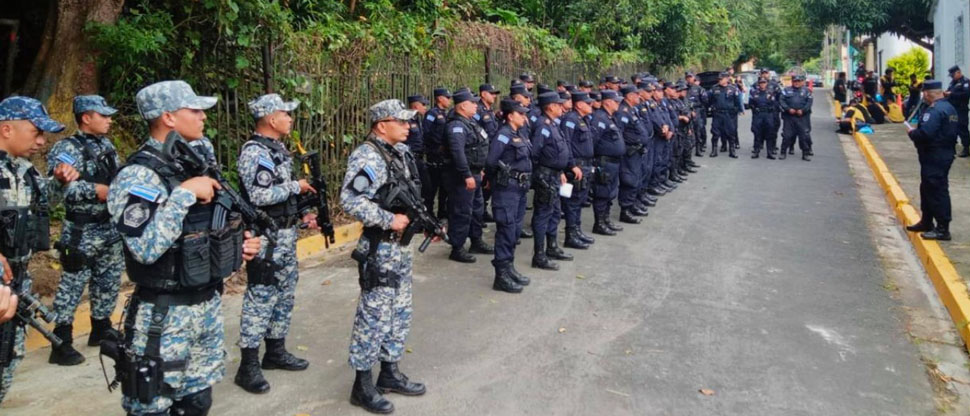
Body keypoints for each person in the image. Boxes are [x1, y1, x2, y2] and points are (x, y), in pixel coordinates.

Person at [107, 80, 262, 415]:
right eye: (194, 110)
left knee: (198, 402)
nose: (203, 116)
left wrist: (238, 246)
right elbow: (144, 249)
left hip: (206, 306)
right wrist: (184, 195)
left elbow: (202, 231)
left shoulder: (191, 163)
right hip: (164, 316)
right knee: (152, 405)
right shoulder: (138, 176)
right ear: (168, 117)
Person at [341, 99, 428, 414]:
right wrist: (388, 219)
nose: (408, 126)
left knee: (400, 310)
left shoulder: (400, 152)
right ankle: (362, 385)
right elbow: (350, 199)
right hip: (381, 246)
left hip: (401, 247)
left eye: (408, 121)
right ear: (381, 125)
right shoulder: (368, 156)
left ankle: (389, 371)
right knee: (374, 314)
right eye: (401, 121)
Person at [233, 93, 319, 394]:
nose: (290, 119)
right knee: (261, 296)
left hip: (285, 233)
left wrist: (303, 212)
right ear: (271, 119)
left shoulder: (277, 149)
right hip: (266, 237)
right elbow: (259, 196)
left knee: (284, 294)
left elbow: (283, 193)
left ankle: (275, 351)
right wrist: (296, 186)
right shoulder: (255, 153)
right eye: (286, 114)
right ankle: (248, 365)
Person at [0, 96, 79, 404]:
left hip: (17, 283)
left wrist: (59, 182)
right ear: (7, 129)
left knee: (8, 358)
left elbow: (44, 204)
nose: (42, 141)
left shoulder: (24, 169)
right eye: (36, 132)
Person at [46, 95, 124, 366]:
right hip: (81, 229)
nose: (109, 120)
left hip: (109, 225)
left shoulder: (107, 145)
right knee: (73, 283)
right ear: (86, 117)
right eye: (103, 115)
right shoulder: (67, 148)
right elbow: (59, 189)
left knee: (108, 279)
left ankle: (101, 328)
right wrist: (95, 190)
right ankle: (61, 340)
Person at [485, 99, 534, 293]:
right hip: (507, 189)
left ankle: (509, 268)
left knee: (514, 230)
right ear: (510, 116)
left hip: (520, 188)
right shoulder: (503, 135)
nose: (524, 117)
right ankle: (501, 276)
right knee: (506, 230)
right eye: (520, 114)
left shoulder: (519, 134)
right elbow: (491, 162)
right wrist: (495, 181)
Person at [530, 92, 580, 270]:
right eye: (558, 105)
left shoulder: (554, 124)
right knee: (543, 214)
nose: (562, 107)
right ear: (550, 107)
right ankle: (539, 255)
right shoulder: (542, 125)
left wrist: (560, 171)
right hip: (545, 176)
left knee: (555, 212)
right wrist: (542, 174)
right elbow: (535, 154)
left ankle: (552, 246)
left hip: (555, 175)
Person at [906, 80, 959, 240]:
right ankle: (927, 221)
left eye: (924, 94)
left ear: (928, 94)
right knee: (928, 188)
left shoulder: (934, 110)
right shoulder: (949, 108)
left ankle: (942, 228)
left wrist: (912, 133)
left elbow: (925, 134)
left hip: (935, 155)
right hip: (942, 154)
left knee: (937, 190)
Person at [445, 90, 493, 263]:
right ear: (463, 106)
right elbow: (458, 153)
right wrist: (466, 174)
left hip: (475, 173)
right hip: (463, 177)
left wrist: (479, 169)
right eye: (472, 103)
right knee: (462, 212)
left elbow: (477, 147)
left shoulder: (470, 123)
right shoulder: (456, 126)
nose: (476, 106)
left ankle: (476, 240)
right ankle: (457, 247)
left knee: (477, 210)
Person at [560, 92, 597, 249]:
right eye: (587, 103)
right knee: (573, 202)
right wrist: (572, 164)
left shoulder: (583, 119)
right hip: (576, 167)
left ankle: (577, 230)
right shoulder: (570, 119)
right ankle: (570, 235)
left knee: (580, 199)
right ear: (579, 105)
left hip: (585, 165)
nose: (591, 105)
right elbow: (566, 143)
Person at [590, 90, 626, 236]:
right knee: (602, 193)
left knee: (610, 193)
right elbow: (593, 141)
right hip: (604, 162)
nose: (618, 104)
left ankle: (606, 219)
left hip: (613, 162)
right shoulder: (599, 118)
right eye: (616, 101)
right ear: (607, 102)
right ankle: (599, 223)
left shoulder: (610, 117)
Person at [615, 85, 649, 224]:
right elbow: (620, 133)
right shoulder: (623, 112)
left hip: (636, 151)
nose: (639, 96)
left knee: (636, 178)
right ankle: (625, 210)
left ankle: (632, 204)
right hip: (629, 152)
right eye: (636, 94)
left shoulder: (632, 109)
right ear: (629, 96)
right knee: (629, 180)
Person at [421, 88, 452, 217]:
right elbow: (426, 131)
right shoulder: (432, 113)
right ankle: (429, 212)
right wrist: (435, 146)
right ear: (439, 98)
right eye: (447, 97)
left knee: (444, 185)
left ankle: (442, 211)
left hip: (444, 154)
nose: (449, 100)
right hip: (435, 153)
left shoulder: (446, 114)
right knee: (432, 185)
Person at [779, 75, 814, 161]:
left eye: (798, 81)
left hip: (802, 117)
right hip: (789, 117)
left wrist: (803, 110)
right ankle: (783, 152)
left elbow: (809, 103)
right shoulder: (786, 90)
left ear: (801, 82)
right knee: (787, 135)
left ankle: (805, 154)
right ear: (792, 82)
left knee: (803, 136)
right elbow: (781, 100)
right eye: (795, 81)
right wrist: (788, 109)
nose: (797, 83)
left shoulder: (806, 91)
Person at [708, 72, 741, 158]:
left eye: (721, 79)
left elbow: (737, 101)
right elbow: (709, 100)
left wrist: (736, 111)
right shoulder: (714, 88)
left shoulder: (733, 89)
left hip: (728, 114)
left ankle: (732, 151)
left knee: (731, 132)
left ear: (726, 79)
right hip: (717, 114)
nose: (719, 80)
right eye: (719, 79)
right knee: (715, 133)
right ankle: (714, 150)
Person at [748, 79, 777, 159]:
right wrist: (754, 109)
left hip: (768, 115)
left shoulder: (770, 93)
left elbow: (774, 104)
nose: (762, 84)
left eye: (764, 83)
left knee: (769, 134)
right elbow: (750, 104)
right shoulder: (754, 93)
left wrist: (771, 109)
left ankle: (769, 152)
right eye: (761, 83)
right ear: (759, 84)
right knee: (757, 133)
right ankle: (756, 151)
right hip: (758, 115)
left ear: (766, 83)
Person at [945, 66, 970, 157]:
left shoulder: (966, 82)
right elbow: (949, 91)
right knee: (952, 128)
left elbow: (966, 95)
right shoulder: (953, 82)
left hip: (961, 109)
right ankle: (951, 147)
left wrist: (952, 94)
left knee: (962, 129)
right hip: (952, 109)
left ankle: (966, 148)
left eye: (953, 75)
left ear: (958, 72)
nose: (952, 77)